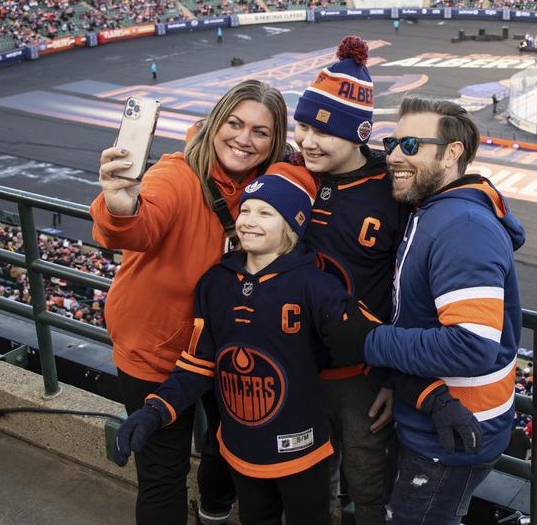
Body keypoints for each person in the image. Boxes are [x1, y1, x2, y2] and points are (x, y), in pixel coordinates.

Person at [92, 79, 288, 525]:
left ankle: (213, 512)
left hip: (227, 351)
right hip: (155, 351)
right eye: (235, 123)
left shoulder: (272, 185)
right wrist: (120, 206)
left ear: (275, 141)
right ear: (216, 122)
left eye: (260, 131)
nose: (244, 138)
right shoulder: (176, 175)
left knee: (227, 448)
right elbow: (137, 226)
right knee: (163, 473)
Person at [321, 96, 524, 525]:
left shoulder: (462, 227)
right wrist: (406, 385)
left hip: (450, 434)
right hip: (435, 418)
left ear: (451, 154)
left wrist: (368, 341)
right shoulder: (433, 209)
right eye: (392, 142)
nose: (393, 155)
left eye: (410, 146)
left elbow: (472, 346)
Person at [111, 167, 352, 523]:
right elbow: (197, 362)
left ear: (292, 226)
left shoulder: (318, 287)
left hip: (302, 451)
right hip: (241, 451)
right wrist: (155, 411)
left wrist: (427, 393)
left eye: (266, 212)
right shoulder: (214, 283)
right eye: (246, 209)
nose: (249, 221)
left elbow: (367, 344)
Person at [290, 37, 411, 525]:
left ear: (358, 133)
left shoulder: (394, 190)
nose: (308, 141)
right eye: (302, 126)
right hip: (296, 364)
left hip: (363, 374)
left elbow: (411, 292)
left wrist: (393, 376)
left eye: (324, 131)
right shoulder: (288, 176)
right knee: (310, 483)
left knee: (368, 492)